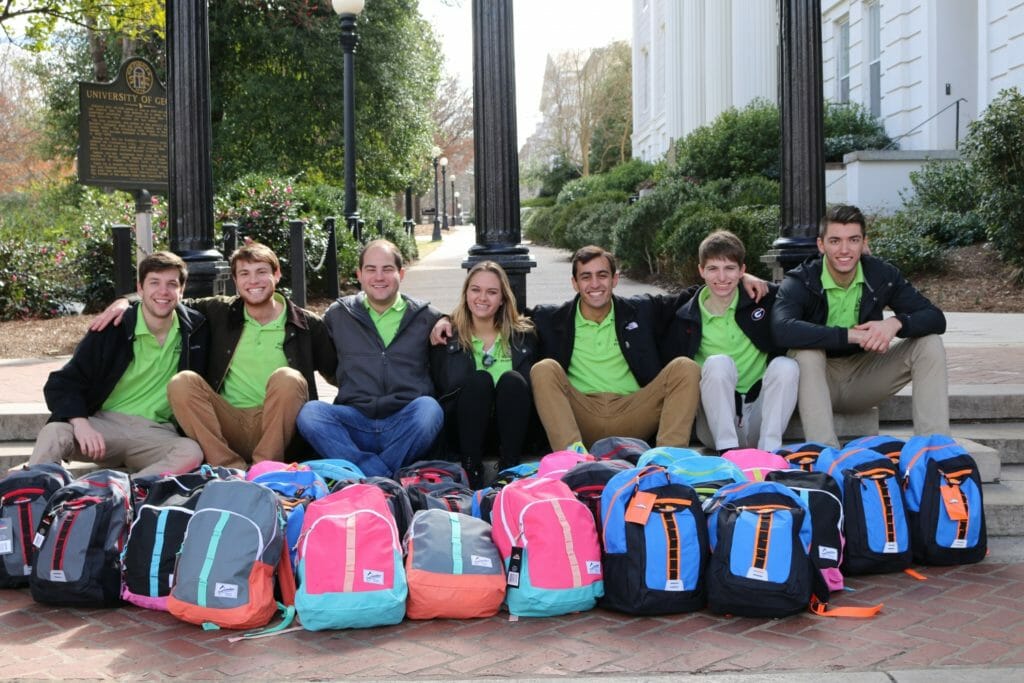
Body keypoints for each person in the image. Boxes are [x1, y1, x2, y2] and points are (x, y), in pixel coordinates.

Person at [90, 242, 336, 470]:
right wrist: (126, 301)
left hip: (279, 428)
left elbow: (337, 372)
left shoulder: (306, 324)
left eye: (261, 272)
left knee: (288, 377)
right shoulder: (220, 311)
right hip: (228, 422)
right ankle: (229, 468)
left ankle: (265, 468)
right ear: (235, 280)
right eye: (244, 274)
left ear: (277, 274)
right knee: (182, 382)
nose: (254, 281)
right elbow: (168, 297)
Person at [527, 245, 767, 452]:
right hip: (581, 414)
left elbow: (689, 296)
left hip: (634, 411)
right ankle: (572, 457)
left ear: (615, 279)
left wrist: (742, 278)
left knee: (685, 367)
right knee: (544, 369)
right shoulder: (551, 318)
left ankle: (666, 457)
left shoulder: (641, 310)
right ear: (575, 283)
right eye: (586, 277)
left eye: (602, 275)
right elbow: (507, 310)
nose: (595, 284)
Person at [771, 204, 949, 447]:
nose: (844, 250)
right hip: (817, 380)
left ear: (863, 242)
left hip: (865, 376)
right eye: (835, 241)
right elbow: (782, 329)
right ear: (821, 245)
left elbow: (935, 317)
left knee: (929, 344)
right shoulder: (801, 280)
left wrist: (895, 323)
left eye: (853, 240)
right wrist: (850, 335)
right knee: (806, 353)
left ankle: (934, 451)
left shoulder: (882, 274)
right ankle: (825, 454)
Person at [28, 252, 207, 475]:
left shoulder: (196, 330)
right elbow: (62, 383)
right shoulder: (112, 328)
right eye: (154, 283)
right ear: (140, 289)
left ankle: (125, 492)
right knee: (54, 432)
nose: (163, 291)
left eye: (172, 284)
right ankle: (30, 493)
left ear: (182, 290)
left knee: (191, 452)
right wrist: (81, 424)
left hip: (156, 433)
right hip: (103, 429)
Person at [296, 239, 444, 478]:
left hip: (404, 423)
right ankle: (380, 475)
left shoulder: (426, 317)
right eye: (371, 269)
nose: (379, 277)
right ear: (359, 275)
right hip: (355, 420)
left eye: (387, 269)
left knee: (429, 409)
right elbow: (325, 359)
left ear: (401, 273)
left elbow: (465, 323)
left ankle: (361, 477)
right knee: (311, 414)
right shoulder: (338, 315)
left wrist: (449, 320)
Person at [663, 230, 798, 453]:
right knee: (718, 363)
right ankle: (728, 452)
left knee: (787, 366)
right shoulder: (685, 316)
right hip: (715, 424)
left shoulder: (762, 299)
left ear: (742, 270)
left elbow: (802, 292)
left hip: (759, 415)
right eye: (713, 269)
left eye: (730, 269)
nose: (722, 278)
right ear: (701, 271)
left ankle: (770, 453)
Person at [431, 261, 537, 487]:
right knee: (480, 380)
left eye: (492, 292)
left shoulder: (524, 337)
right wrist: (443, 318)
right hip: (464, 431)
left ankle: (509, 471)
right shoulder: (447, 337)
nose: (482, 298)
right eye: (475, 290)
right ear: (466, 293)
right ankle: (472, 470)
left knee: (512, 381)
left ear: (502, 299)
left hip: (513, 431)